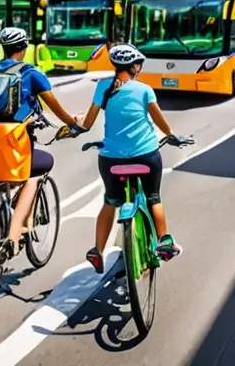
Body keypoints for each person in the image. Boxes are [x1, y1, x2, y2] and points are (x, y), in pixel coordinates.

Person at [0, 27, 83, 261]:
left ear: (4, 48)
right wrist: (74, 124)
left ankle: (4, 218)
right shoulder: (32, 73)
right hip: (16, 145)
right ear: (25, 48)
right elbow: (55, 108)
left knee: (4, 178)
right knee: (37, 170)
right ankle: (14, 235)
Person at [73, 44, 191, 273]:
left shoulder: (102, 87)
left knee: (110, 201)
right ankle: (164, 242)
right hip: (146, 156)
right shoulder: (145, 89)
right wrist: (172, 136)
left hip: (111, 160)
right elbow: (159, 121)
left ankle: (97, 250)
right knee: (153, 197)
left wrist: (75, 125)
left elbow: (86, 124)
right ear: (135, 66)